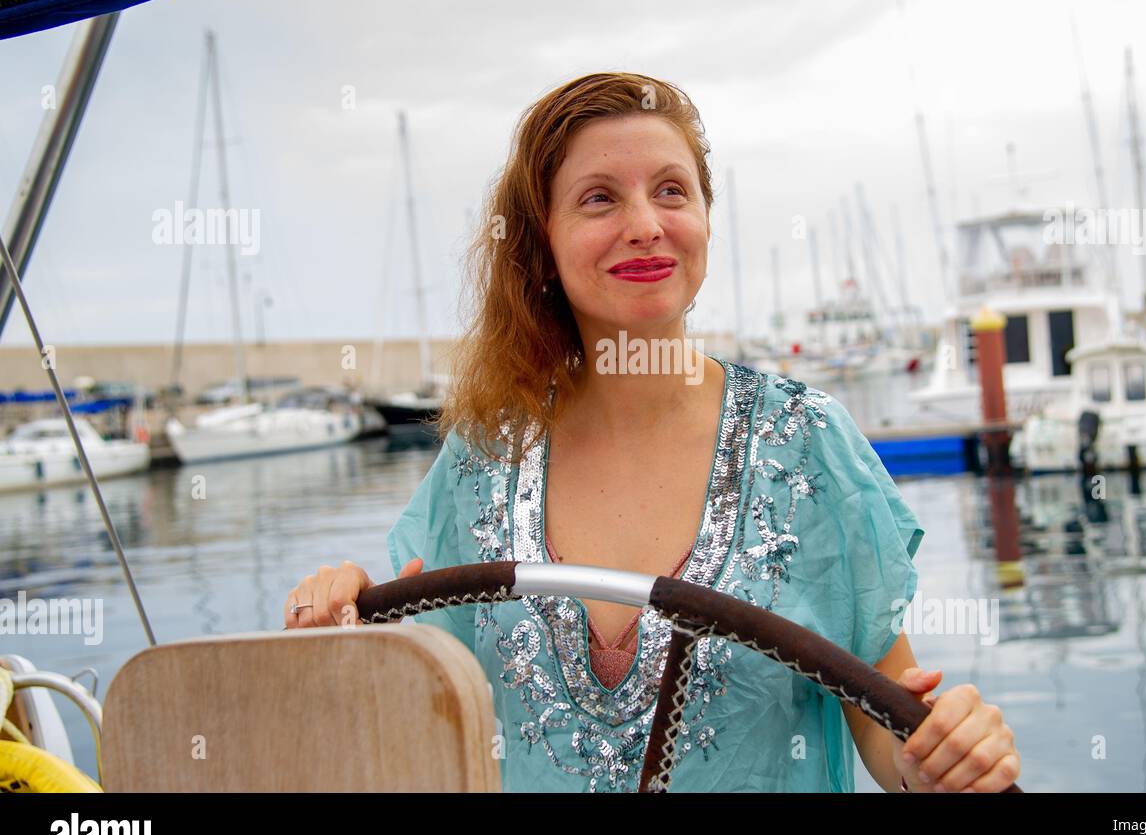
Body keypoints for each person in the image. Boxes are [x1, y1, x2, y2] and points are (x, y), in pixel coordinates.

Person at [284, 72, 1021, 793]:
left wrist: (939, 763)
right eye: (600, 198)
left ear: (704, 219)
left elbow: (888, 729)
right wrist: (347, 614)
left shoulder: (807, 441)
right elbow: (426, 712)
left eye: (672, 190)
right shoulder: (483, 456)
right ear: (543, 243)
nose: (645, 224)